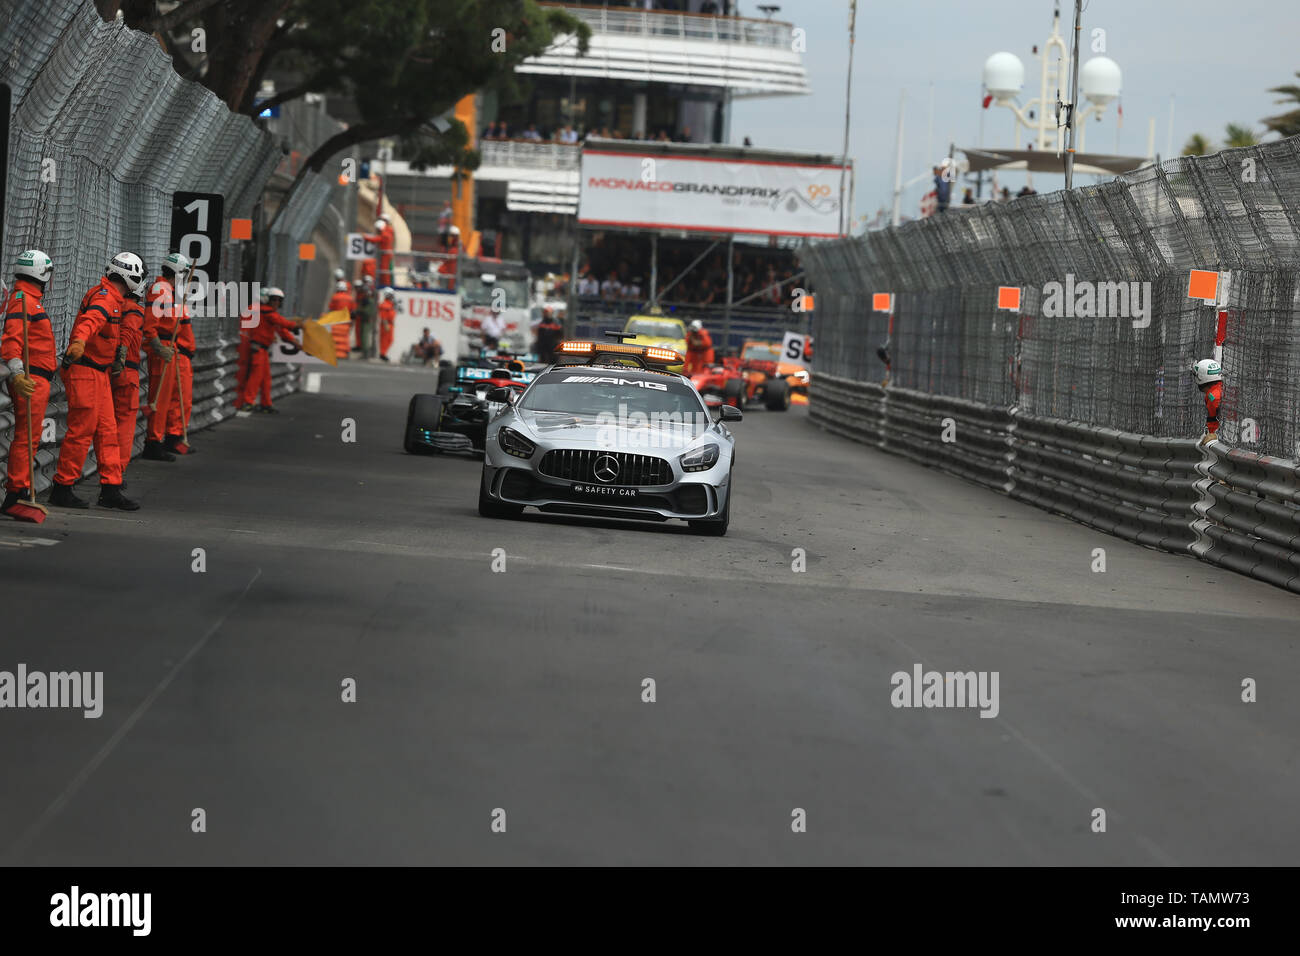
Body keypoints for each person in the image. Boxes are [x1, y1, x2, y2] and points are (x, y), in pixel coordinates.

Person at [51, 252, 143, 510]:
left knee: (107, 431)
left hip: (98, 373)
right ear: (130, 275)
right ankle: (63, 486)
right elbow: (90, 322)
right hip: (86, 371)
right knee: (82, 431)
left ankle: (111, 489)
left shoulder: (112, 298)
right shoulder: (105, 298)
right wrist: (79, 342)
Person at [2, 250, 56, 518]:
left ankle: (19, 490)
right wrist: (18, 373)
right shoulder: (23, 301)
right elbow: (12, 339)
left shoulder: (28, 299)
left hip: (35, 378)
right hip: (30, 379)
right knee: (27, 438)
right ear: (42, 273)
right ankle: (15, 494)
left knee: (29, 438)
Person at [144, 252, 197, 457]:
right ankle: (153, 442)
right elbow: (150, 325)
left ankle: (170, 439)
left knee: (176, 397)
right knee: (161, 399)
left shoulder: (171, 292)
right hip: (164, 348)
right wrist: (158, 347)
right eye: (183, 272)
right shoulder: (160, 290)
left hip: (173, 348)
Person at [109, 275, 146, 478]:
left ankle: (109, 469)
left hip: (108, 371)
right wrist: (121, 355)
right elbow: (128, 332)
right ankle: (117, 472)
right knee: (124, 425)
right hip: (126, 372)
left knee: (108, 425)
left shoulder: (113, 304)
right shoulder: (134, 310)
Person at [241, 286, 301, 412]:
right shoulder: (265, 311)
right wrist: (295, 326)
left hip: (261, 349)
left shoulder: (266, 312)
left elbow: (281, 329)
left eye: (279, 300)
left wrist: (293, 341)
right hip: (257, 348)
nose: (277, 303)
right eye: (274, 300)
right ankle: (248, 402)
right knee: (256, 377)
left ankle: (266, 403)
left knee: (265, 378)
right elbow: (282, 323)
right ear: (267, 299)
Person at [1191, 359, 1224, 445]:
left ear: (1201, 377)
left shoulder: (1213, 397)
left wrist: (1213, 433)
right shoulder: (1219, 389)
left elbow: (1215, 419)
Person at [377, 288, 396, 361]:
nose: (392, 297)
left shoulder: (389, 304)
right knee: (385, 340)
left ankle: (383, 353)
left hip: (390, 324)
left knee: (390, 340)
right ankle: (382, 354)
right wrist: (386, 325)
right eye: (391, 295)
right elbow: (383, 316)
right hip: (386, 324)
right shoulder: (384, 305)